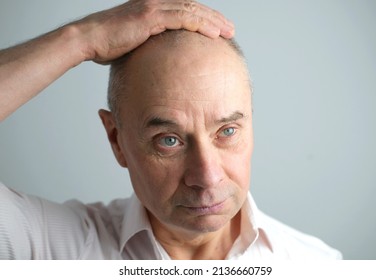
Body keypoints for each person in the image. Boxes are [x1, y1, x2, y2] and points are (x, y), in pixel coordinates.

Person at [0, 0, 341, 260]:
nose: (207, 177)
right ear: (116, 140)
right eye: (169, 140)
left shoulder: (318, 265)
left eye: (227, 131)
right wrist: (83, 38)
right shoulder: (52, 247)